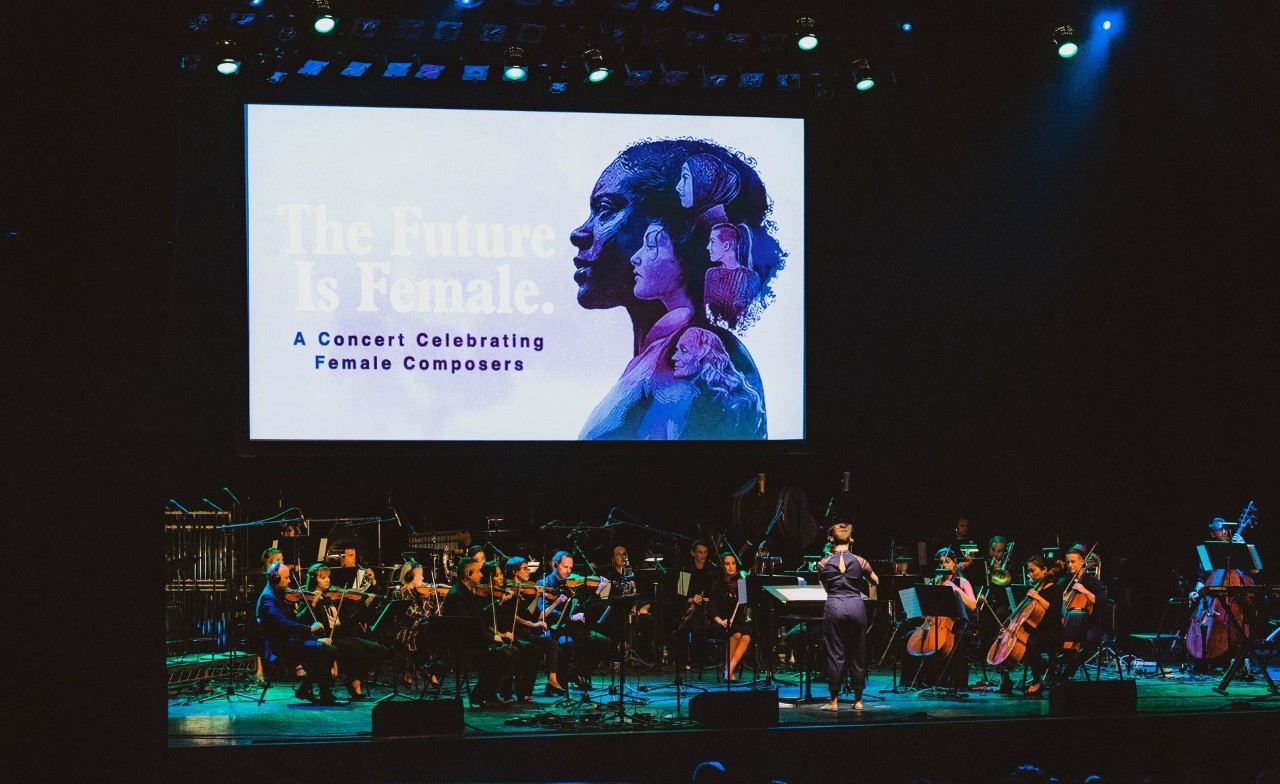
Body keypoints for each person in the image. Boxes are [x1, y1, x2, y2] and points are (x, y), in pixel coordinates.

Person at [571, 140, 782, 438]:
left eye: (606, 209)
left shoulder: (696, 353)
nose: (579, 233)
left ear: (678, 236)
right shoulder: (660, 349)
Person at [638, 326, 765, 440]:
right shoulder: (689, 391)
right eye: (677, 350)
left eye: (684, 350)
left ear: (703, 355)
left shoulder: (709, 398)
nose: (674, 357)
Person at [441, 558, 521, 708]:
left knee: (513, 651)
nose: (482, 575)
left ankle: (487, 693)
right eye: (478, 571)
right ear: (468, 574)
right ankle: (481, 694)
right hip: (463, 650)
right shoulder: (457, 595)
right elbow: (468, 630)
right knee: (505, 655)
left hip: (474, 645)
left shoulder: (465, 592)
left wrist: (498, 604)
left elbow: (478, 619)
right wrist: (492, 638)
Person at [255, 561, 338, 705]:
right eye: (286, 578)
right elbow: (284, 624)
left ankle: (315, 691)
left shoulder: (277, 594)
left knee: (329, 649)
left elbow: (293, 622)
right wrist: (310, 629)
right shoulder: (268, 598)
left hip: (292, 640)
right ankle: (318, 691)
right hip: (281, 646)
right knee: (326, 650)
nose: (289, 581)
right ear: (276, 578)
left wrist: (316, 638)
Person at [816, 522, 879, 710]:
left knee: (835, 653)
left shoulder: (823, 563)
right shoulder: (860, 561)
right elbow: (876, 580)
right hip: (856, 606)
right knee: (857, 652)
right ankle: (858, 701)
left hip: (835, 606)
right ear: (850, 539)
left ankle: (833, 702)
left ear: (831, 540)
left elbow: (826, 588)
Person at [299, 562, 381, 700]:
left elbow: (349, 621)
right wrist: (312, 604)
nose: (327, 580)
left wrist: (365, 607)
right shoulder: (308, 599)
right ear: (314, 580)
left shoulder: (333, 597)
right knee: (356, 650)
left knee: (377, 649)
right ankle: (350, 681)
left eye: (328, 577)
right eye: (323, 578)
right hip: (326, 637)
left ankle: (353, 677)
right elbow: (300, 620)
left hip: (341, 634)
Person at [535, 550, 613, 691]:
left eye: (570, 568)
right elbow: (544, 612)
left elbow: (583, 608)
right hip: (554, 628)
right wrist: (570, 617)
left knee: (604, 642)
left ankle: (577, 673)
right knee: (567, 642)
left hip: (572, 628)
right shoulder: (544, 583)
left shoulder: (572, 584)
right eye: (565, 567)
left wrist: (598, 591)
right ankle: (558, 682)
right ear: (555, 565)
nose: (568, 571)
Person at [995, 555, 1065, 696]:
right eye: (1029, 571)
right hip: (1035, 629)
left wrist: (1038, 597)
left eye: (1033, 571)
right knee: (1000, 640)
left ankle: (1036, 680)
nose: (1030, 574)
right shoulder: (1034, 589)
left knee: (1032, 644)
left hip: (1052, 632)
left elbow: (1055, 613)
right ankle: (1005, 679)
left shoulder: (1056, 589)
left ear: (1045, 570)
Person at [1056, 544, 1109, 683]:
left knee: (1089, 640)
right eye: (1068, 562)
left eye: (1073, 562)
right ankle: (1053, 669)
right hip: (1068, 622)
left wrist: (1084, 590)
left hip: (1091, 623)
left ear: (1082, 562)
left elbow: (1102, 601)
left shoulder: (1093, 581)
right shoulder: (1065, 581)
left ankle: (1068, 671)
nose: (1070, 565)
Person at [932, 547, 978, 690]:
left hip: (959, 624)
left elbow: (973, 605)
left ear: (954, 563)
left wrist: (954, 588)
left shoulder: (962, 582)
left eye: (947, 562)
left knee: (959, 637)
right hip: (937, 624)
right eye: (940, 563)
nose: (943, 566)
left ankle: (957, 682)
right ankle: (924, 680)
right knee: (911, 636)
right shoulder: (935, 581)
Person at [704, 222, 761, 329]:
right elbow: (709, 314)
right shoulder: (711, 274)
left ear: (726, 245)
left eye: (712, 242)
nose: (708, 247)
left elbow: (752, 319)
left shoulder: (751, 278)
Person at [706, 552, 752, 681]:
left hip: (737, 622)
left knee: (746, 636)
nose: (731, 567)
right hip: (721, 623)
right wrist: (720, 621)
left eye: (733, 563)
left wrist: (743, 591)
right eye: (727, 564)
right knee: (736, 634)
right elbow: (711, 608)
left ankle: (729, 669)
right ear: (722, 567)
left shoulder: (740, 584)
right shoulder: (718, 585)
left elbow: (742, 606)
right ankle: (728, 671)